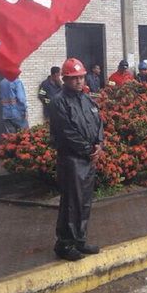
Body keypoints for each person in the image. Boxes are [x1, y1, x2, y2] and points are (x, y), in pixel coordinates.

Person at [48, 58, 104, 262]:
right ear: (65, 79)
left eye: (81, 77)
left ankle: (80, 239)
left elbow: (98, 123)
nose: (79, 81)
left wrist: (99, 144)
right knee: (72, 202)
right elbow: (66, 132)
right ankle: (64, 243)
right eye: (74, 78)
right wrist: (88, 148)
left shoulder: (87, 100)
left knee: (84, 202)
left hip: (87, 159)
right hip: (71, 159)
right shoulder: (59, 102)